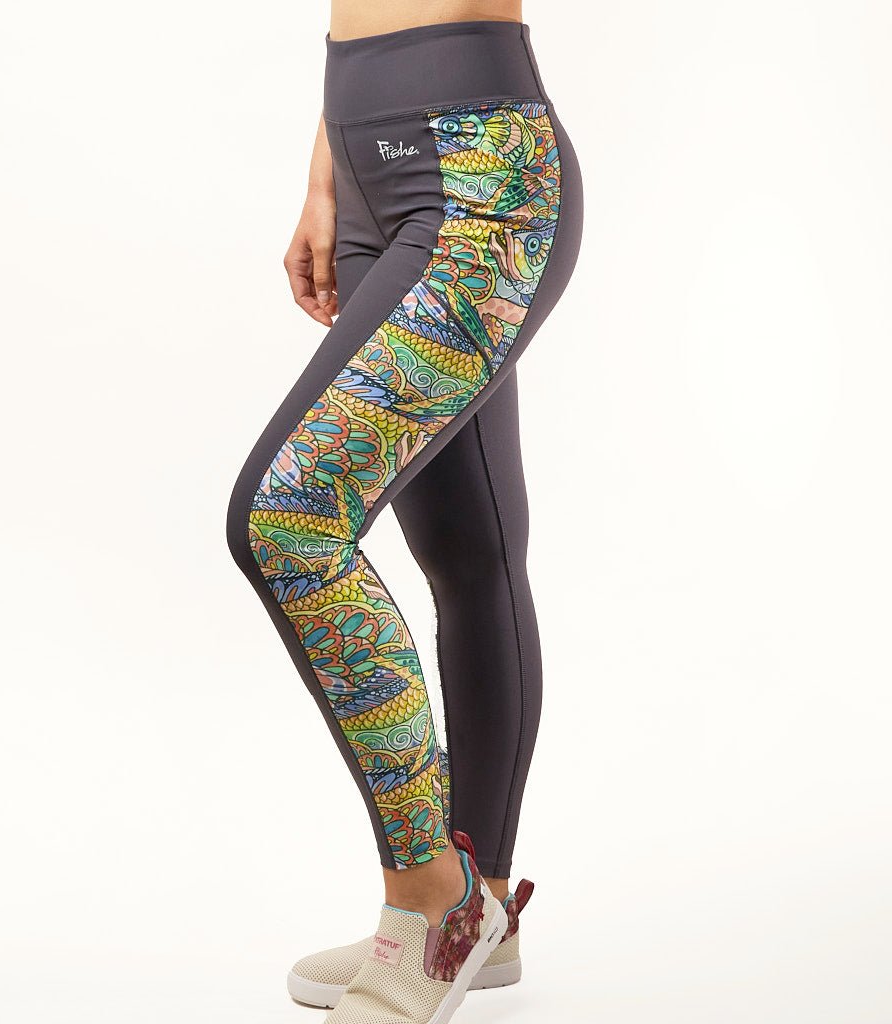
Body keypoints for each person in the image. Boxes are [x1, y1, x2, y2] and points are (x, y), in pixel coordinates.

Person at [226, 3, 583, 1020]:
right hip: (367, 162)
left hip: (480, 178)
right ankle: (483, 918)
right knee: (467, 552)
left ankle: (430, 900)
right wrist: (326, 167)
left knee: (289, 520)